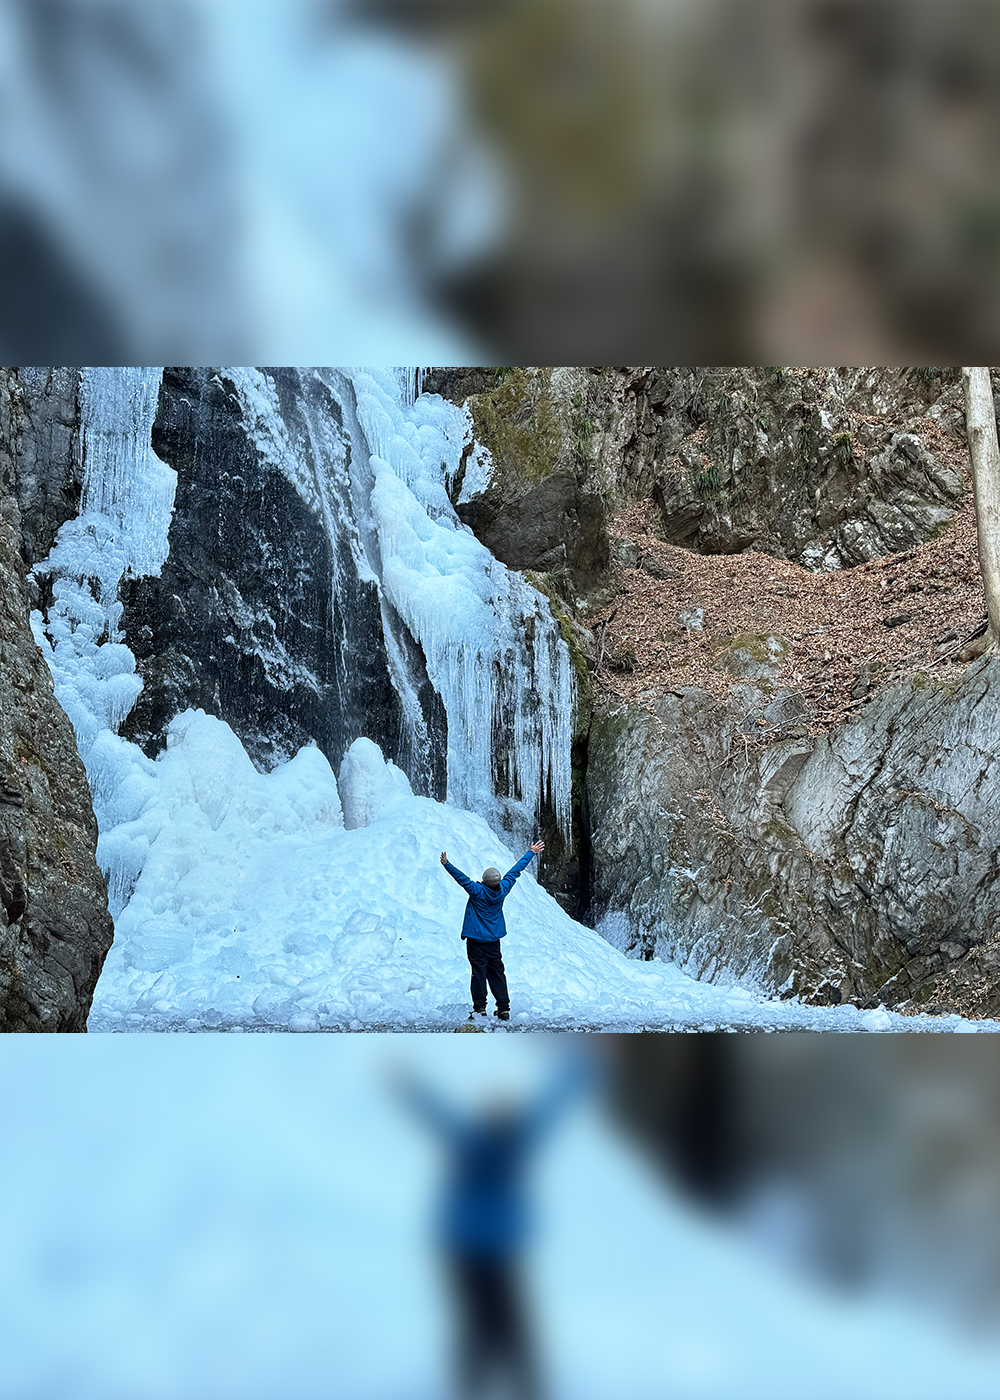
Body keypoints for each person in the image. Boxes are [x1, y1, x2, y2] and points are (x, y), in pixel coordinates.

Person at [394, 1057, 590, 1400]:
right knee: (506, 1324)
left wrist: (408, 1085)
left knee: (484, 1323)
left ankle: (484, 1385)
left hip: (465, 1249)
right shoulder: (513, 1141)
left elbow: (434, 1112)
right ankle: (515, 1386)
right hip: (487, 1249)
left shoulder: (473, 1140)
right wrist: (582, 1067)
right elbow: (552, 1104)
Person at [440, 841, 544, 1022]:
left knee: (478, 973)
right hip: (494, 941)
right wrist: (531, 853)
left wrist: (447, 864)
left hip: (475, 941)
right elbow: (515, 871)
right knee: (497, 973)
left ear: (484, 881)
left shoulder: (477, 891)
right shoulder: (503, 890)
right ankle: (503, 1008)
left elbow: (461, 878)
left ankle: (480, 1008)